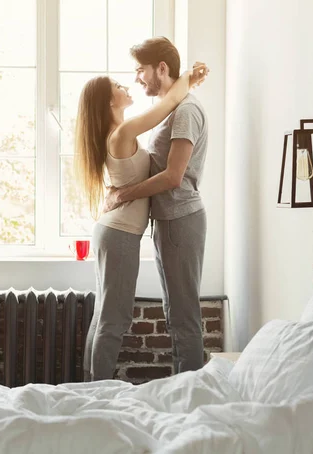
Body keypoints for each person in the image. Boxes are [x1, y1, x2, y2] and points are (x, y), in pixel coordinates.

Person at [75, 56, 208, 381]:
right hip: (119, 234)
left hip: (117, 233)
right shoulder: (121, 133)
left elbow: (171, 104)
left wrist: (187, 81)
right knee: (114, 318)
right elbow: (168, 105)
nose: (128, 85)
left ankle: (88, 387)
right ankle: (96, 390)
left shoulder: (120, 132)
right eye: (119, 86)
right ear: (110, 101)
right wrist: (188, 77)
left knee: (105, 315)